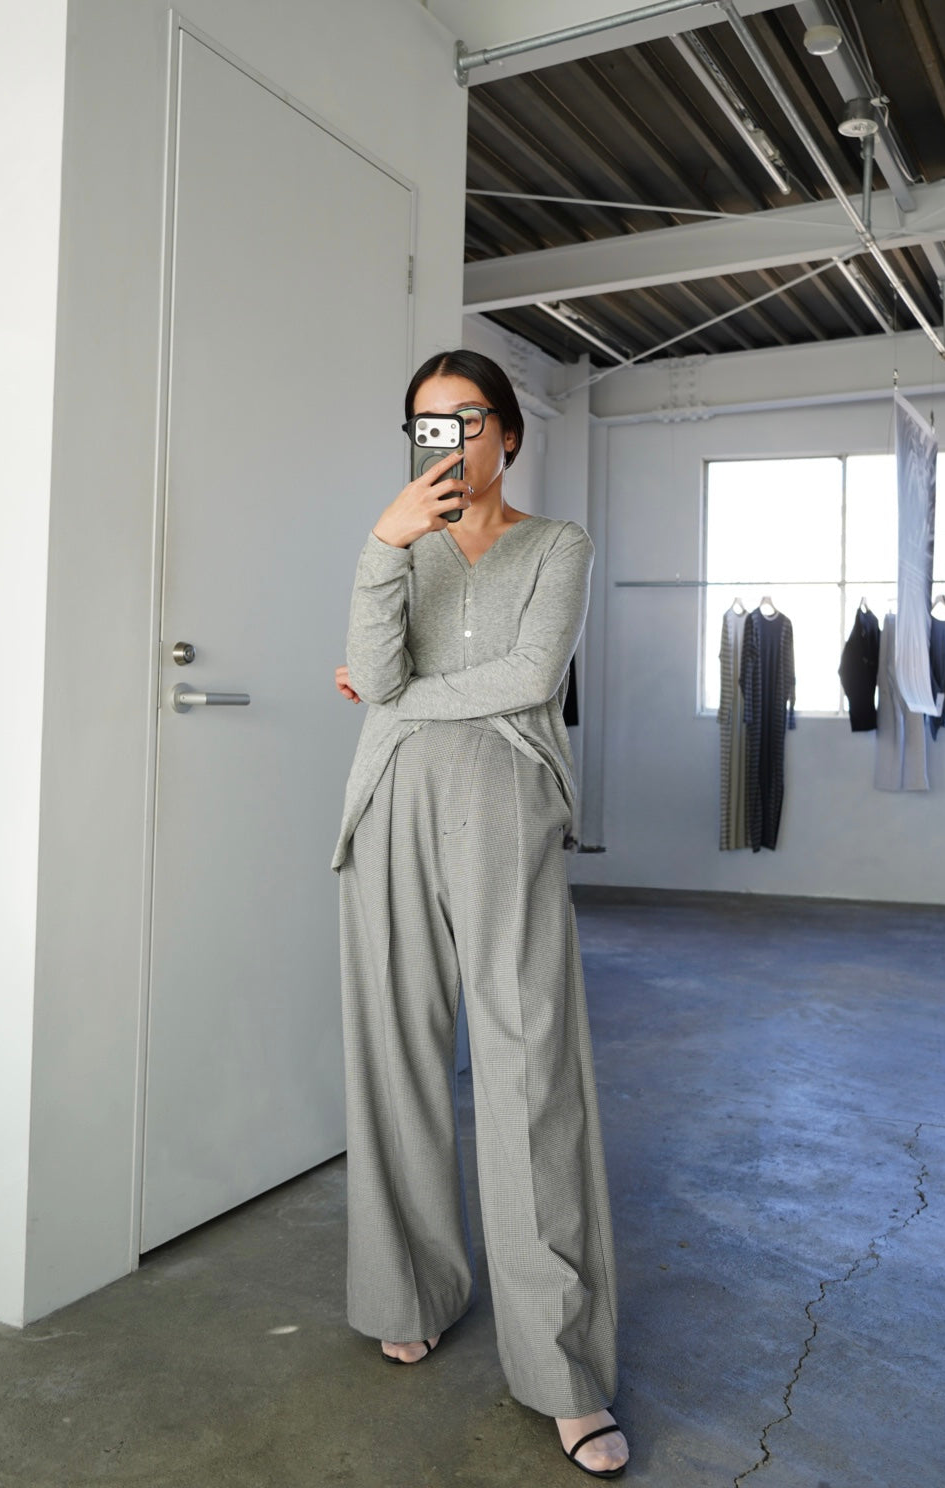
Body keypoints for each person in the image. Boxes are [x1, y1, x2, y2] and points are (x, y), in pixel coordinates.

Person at [331, 349, 628, 1479]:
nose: (448, 440)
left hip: (507, 802)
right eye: (427, 423)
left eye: (466, 419)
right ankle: (408, 1289)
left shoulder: (559, 546)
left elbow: (528, 674)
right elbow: (369, 666)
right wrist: (382, 544)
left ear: (508, 430)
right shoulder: (398, 546)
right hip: (391, 800)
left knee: (530, 1072)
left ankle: (563, 1369)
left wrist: (399, 693)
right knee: (396, 1055)